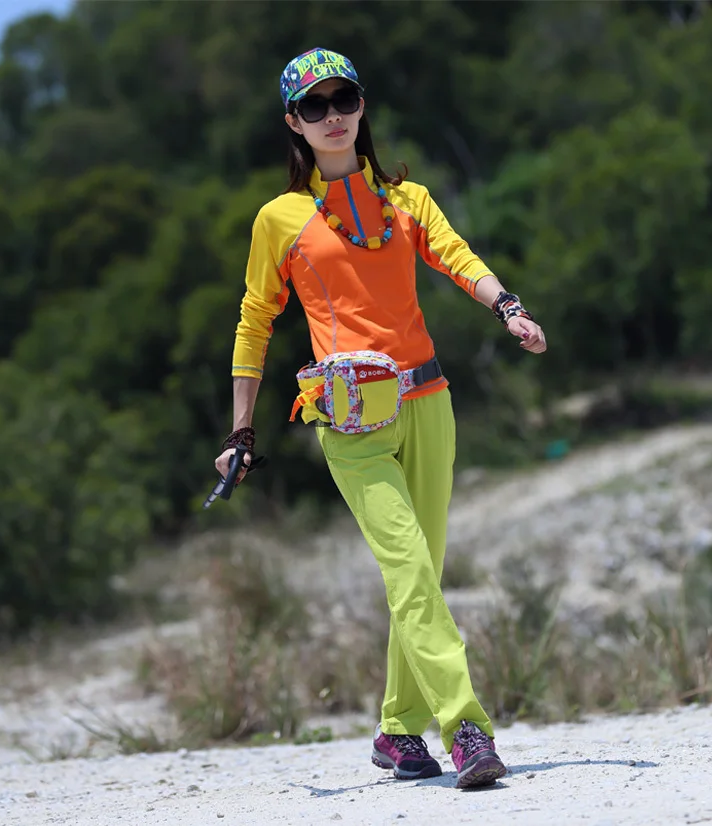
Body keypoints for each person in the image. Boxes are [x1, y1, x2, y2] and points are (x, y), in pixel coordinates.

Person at [215, 47, 547, 789]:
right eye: (314, 106)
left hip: (430, 404)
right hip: (350, 424)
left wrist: (508, 306)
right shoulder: (280, 219)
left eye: (344, 100)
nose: (332, 116)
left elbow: (456, 256)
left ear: (362, 107)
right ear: (293, 124)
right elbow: (254, 321)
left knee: (421, 573)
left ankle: (398, 732)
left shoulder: (408, 199)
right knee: (410, 570)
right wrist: (241, 431)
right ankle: (465, 727)